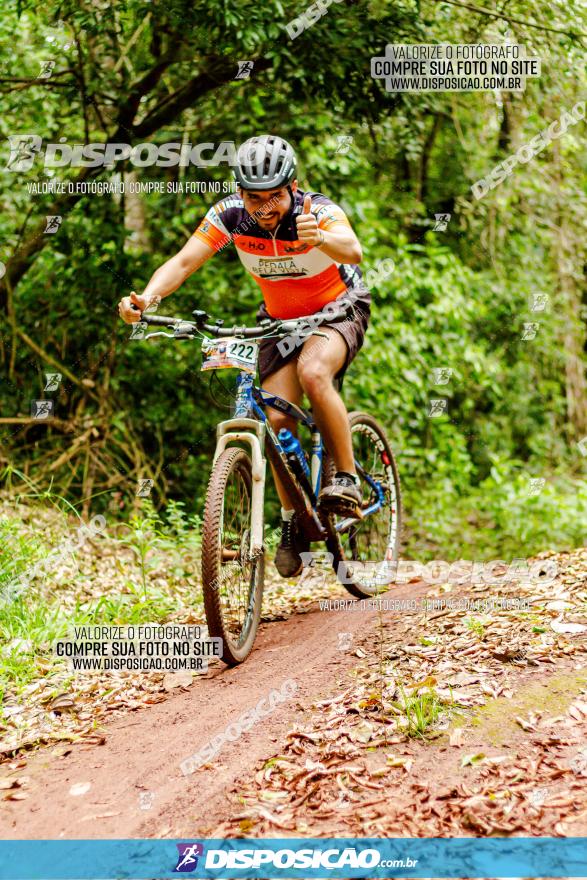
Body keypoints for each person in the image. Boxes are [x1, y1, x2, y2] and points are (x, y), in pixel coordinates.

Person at [118, 134, 371, 577]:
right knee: (273, 422)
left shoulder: (316, 212)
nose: (266, 207)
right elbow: (183, 263)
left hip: (338, 310)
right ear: (241, 194)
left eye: (276, 196)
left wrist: (323, 240)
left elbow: (353, 249)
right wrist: (147, 300)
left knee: (314, 372)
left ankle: (346, 478)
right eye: (256, 198)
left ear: (292, 188)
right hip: (277, 321)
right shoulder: (230, 216)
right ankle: (293, 520)